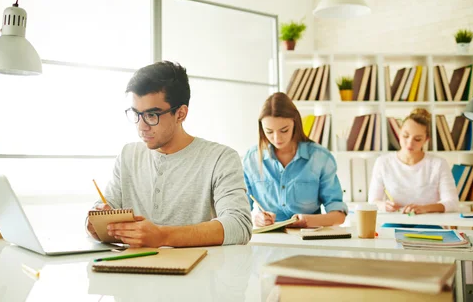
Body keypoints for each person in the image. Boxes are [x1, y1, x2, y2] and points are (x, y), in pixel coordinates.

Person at [86, 61, 252, 247]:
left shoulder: (221, 158)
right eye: (136, 114)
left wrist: (162, 236)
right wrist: (95, 221)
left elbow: (239, 225)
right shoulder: (128, 155)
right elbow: (106, 208)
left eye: (151, 115)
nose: (141, 127)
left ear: (180, 114)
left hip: (197, 273)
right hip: (130, 270)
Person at [243, 92, 347, 228]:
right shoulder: (252, 159)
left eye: (284, 130)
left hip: (309, 241)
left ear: (295, 123)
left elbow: (339, 215)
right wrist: (258, 218)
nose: (277, 138)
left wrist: (308, 221)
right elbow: (238, 212)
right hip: (268, 242)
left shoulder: (320, 158)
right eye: (269, 131)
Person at [368, 108, 458, 214]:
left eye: (417, 139)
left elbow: (452, 203)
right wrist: (384, 205)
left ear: (426, 139)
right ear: (399, 133)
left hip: (430, 222)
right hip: (396, 221)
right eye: (405, 136)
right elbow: (373, 201)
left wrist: (424, 208)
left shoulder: (438, 164)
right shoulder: (383, 162)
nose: (409, 143)